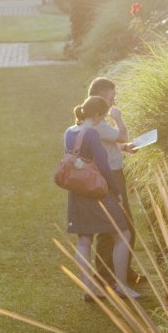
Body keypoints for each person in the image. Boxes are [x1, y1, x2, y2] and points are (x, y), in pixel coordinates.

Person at [64, 95, 140, 301]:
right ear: (97, 115)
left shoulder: (69, 132)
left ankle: (90, 290)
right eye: (104, 115)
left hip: (77, 192)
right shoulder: (92, 134)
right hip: (97, 191)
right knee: (122, 234)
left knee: (84, 239)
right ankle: (122, 286)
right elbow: (104, 166)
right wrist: (116, 192)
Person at [87, 76, 139, 282]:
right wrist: (118, 118)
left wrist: (123, 148)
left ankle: (123, 272)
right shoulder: (97, 122)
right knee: (116, 227)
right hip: (110, 177)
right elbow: (122, 135)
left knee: (120, 226)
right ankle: (104, 277)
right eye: (111, 98)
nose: (113, 103)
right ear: (99, 97)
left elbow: (112, 142)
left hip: (112, 174)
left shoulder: (97, 119)